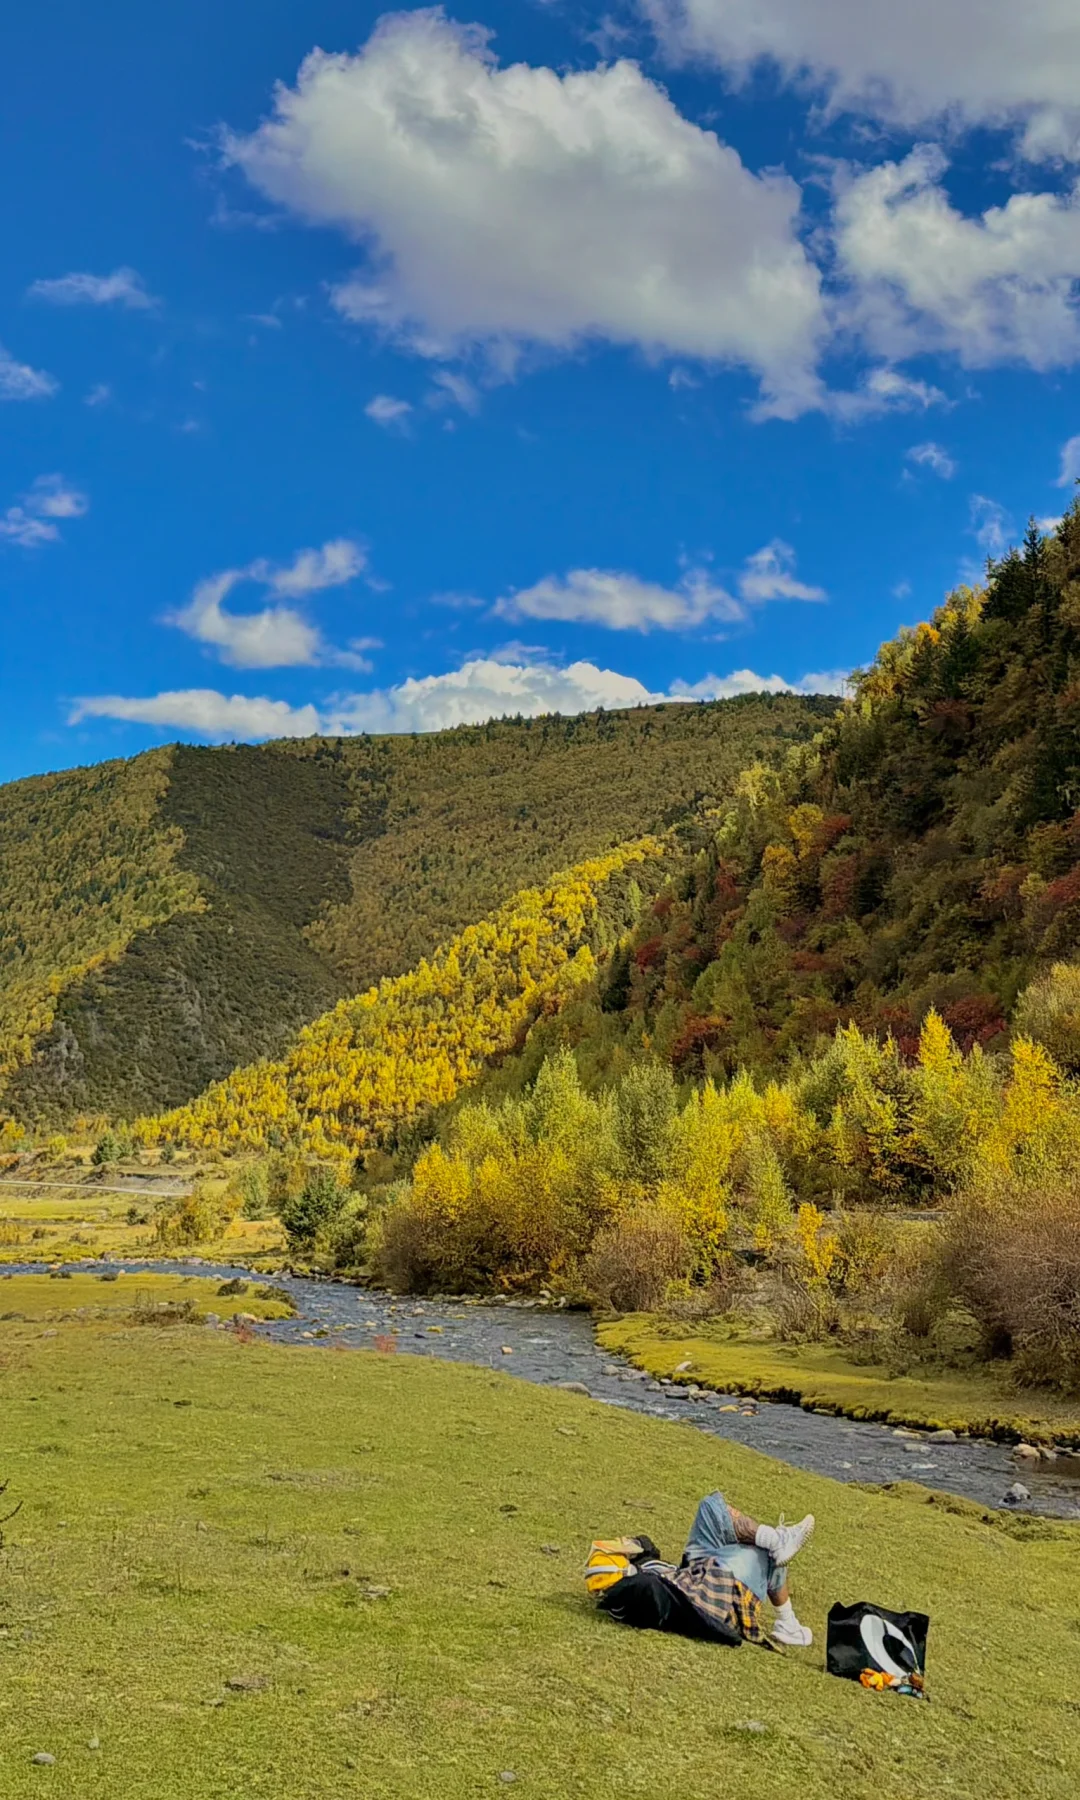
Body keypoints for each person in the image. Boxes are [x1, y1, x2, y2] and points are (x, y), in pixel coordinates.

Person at [668, 1491, 815, 1648]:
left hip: (694, 1569)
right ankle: (787, 1621)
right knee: (769, 1552)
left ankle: (775, 1540)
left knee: (709, 1505)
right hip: (717, 1584)